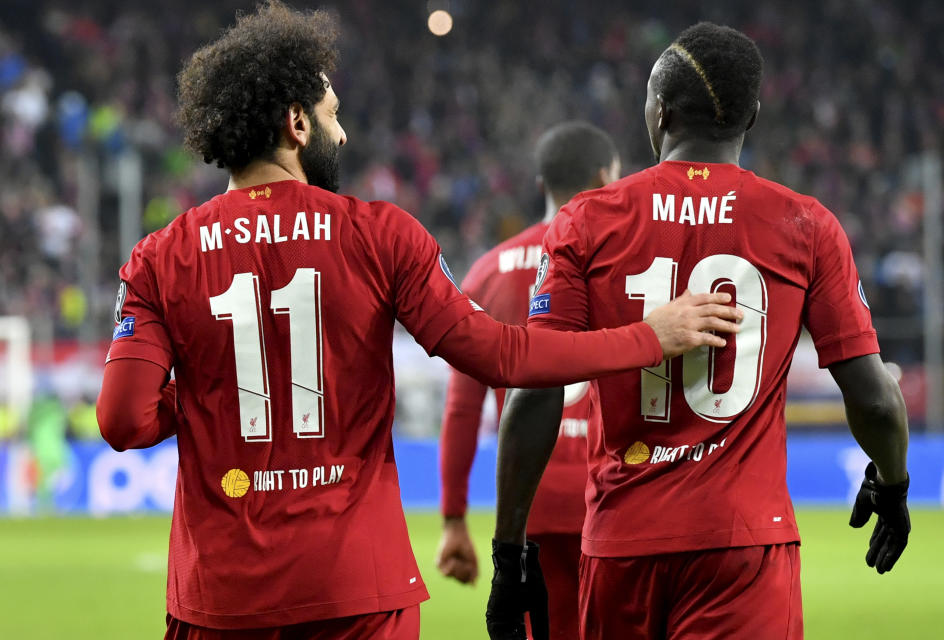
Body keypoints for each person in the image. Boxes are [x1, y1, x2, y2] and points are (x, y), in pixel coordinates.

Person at [94, 4, 743, 639]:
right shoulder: (379, 236)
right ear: (296, 123)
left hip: (219, 598)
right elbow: (502, 357)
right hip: (357, 592)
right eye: (332, 115)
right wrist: (649, 337)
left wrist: (209, 391)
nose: (341, 133)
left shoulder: (160, 257)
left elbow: (124, 422)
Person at [487, 22, 911, 640]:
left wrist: (509, 554)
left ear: (659, 112)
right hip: (743, 546)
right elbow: (872, 395)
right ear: (754, 116)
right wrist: (894, 482)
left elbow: (534, 391)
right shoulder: (807, 225)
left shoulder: (586, 219)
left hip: (621, 545)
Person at [437, 121, 619, 640]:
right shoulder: (622, 261)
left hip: (528, 501)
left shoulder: (487, 271)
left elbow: (462, 409)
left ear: (542, 185)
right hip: (610, 494)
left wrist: (453, 519)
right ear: (607, 177)